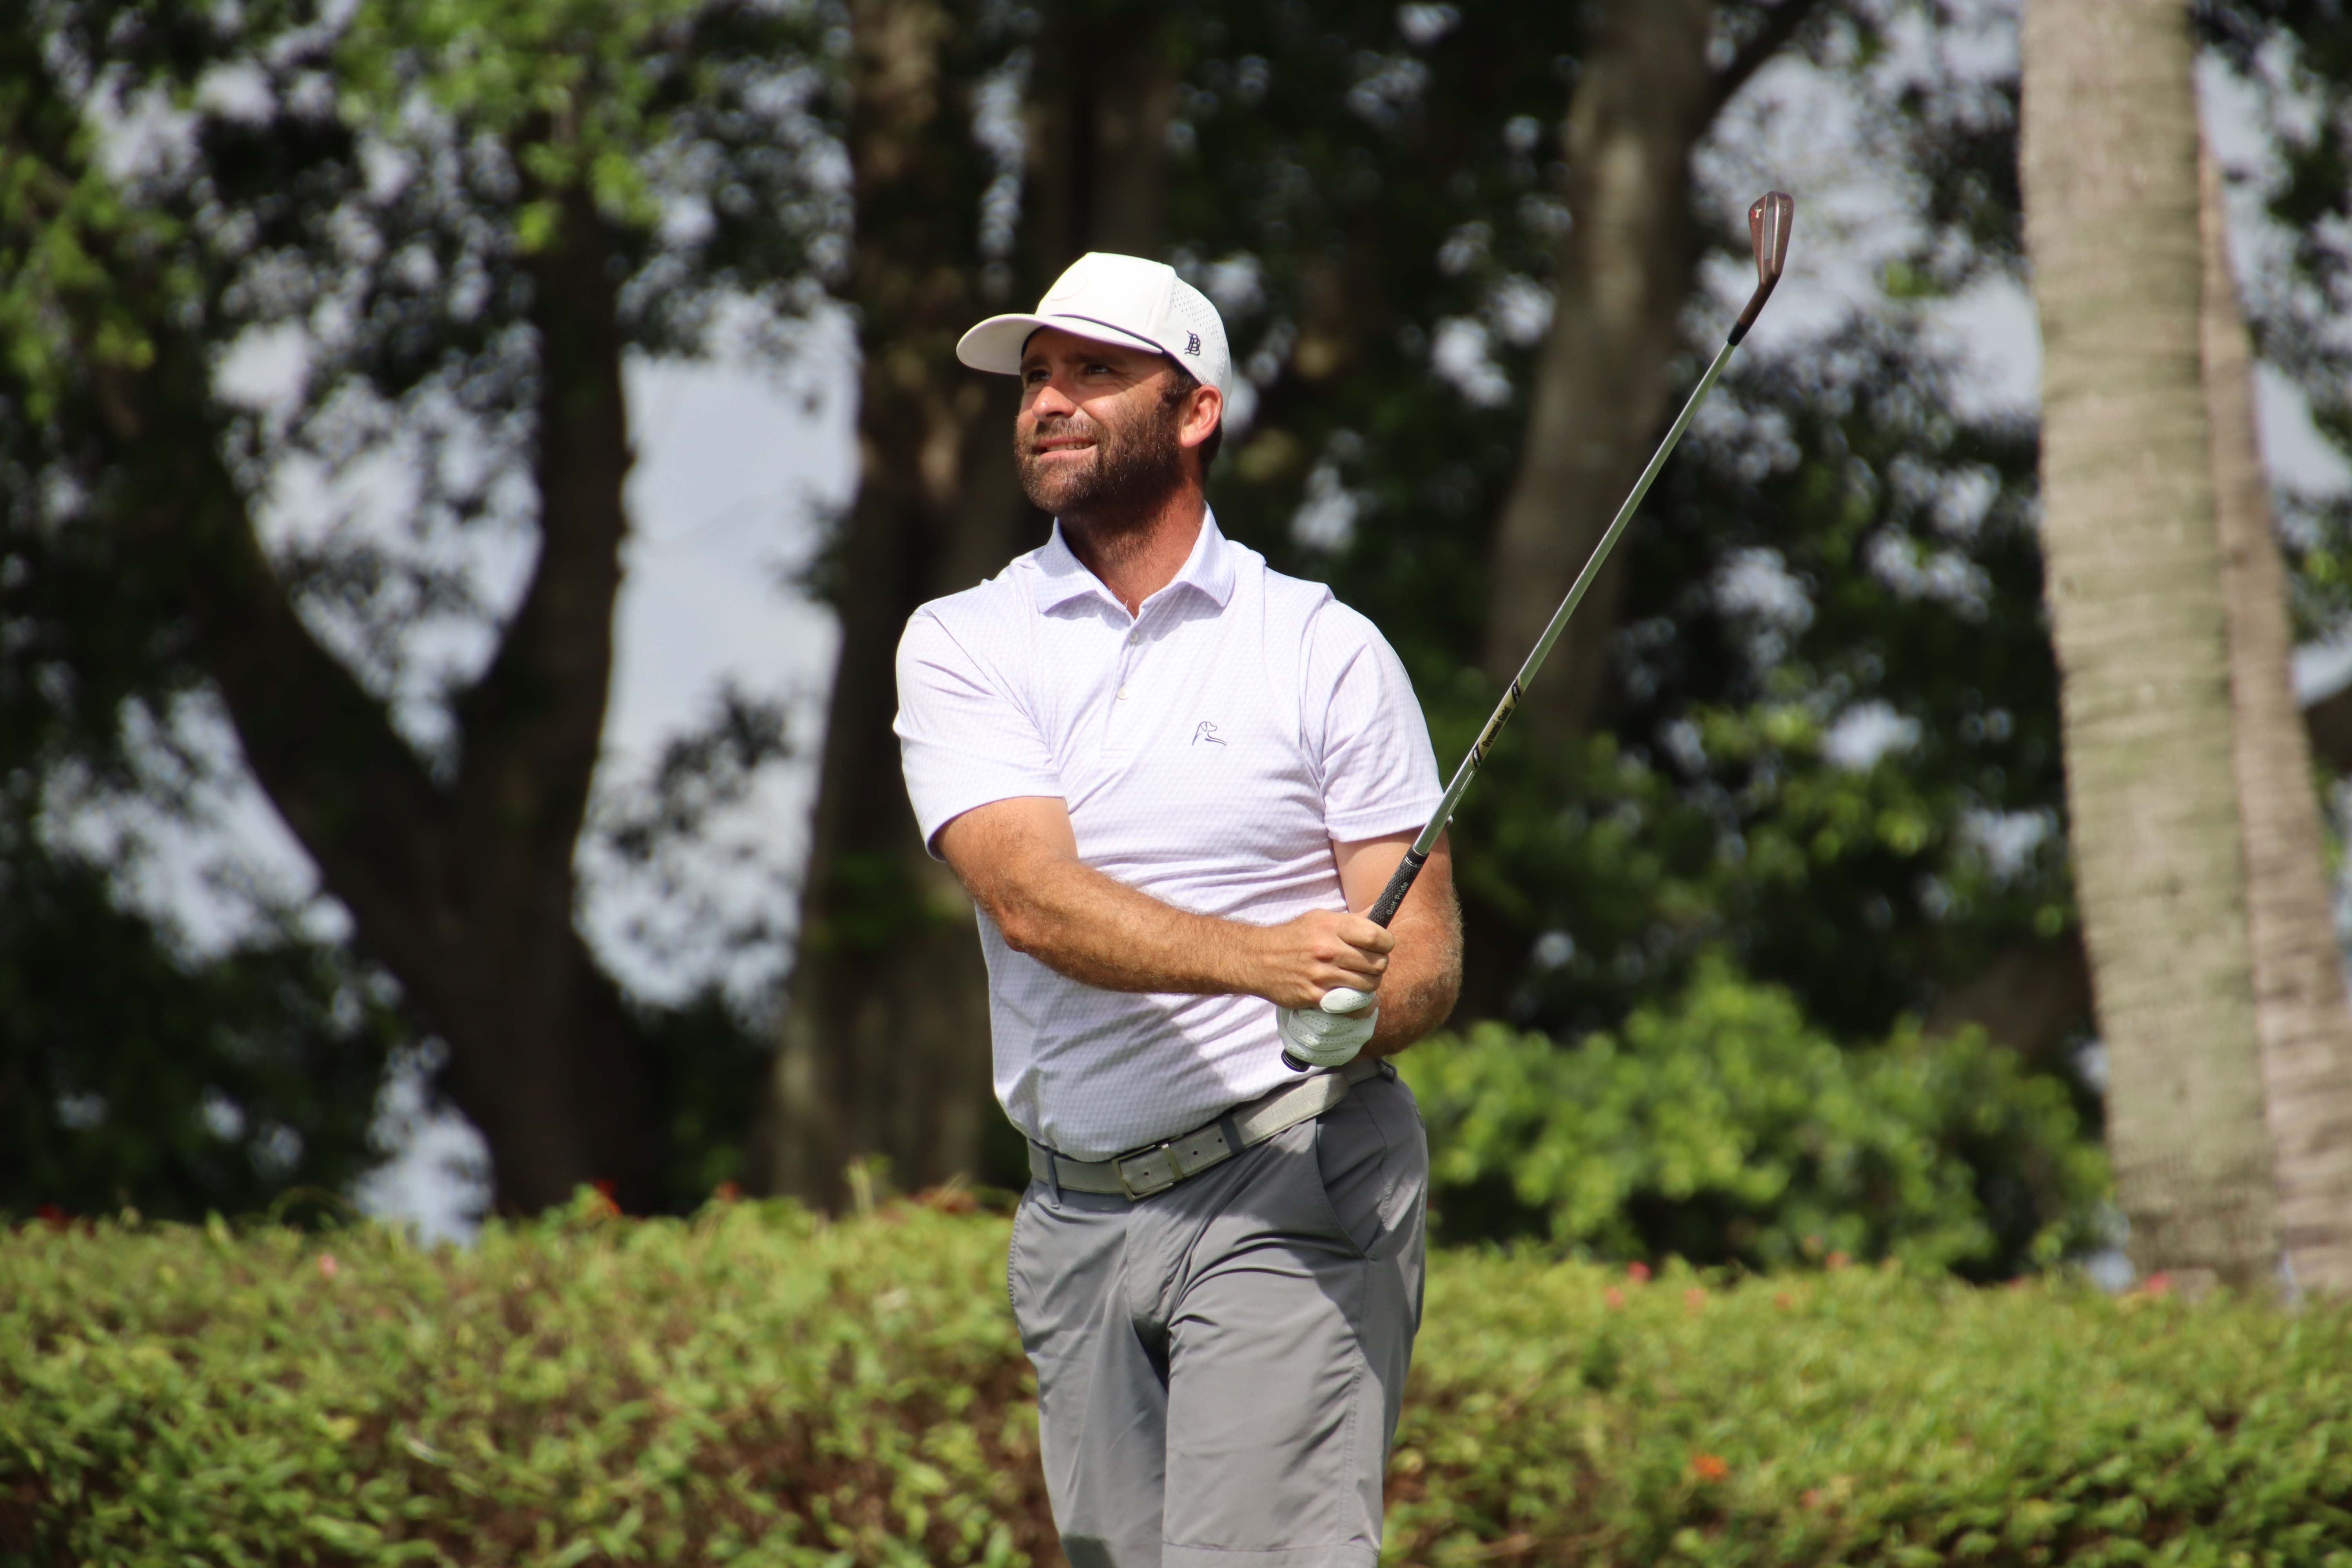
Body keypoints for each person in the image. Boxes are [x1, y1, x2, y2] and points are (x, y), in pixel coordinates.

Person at [893, 250, 1463, 1568]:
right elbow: (1032, 902)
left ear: (1195, 409)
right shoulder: (966, 641)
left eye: (1095, 372)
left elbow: (1424, 950)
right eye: (1036, 377)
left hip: (1291, 1176)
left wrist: (1365, 1012)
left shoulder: (1322, 648)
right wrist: (1268, 963)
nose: (1050, 400)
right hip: (1074, 1214)